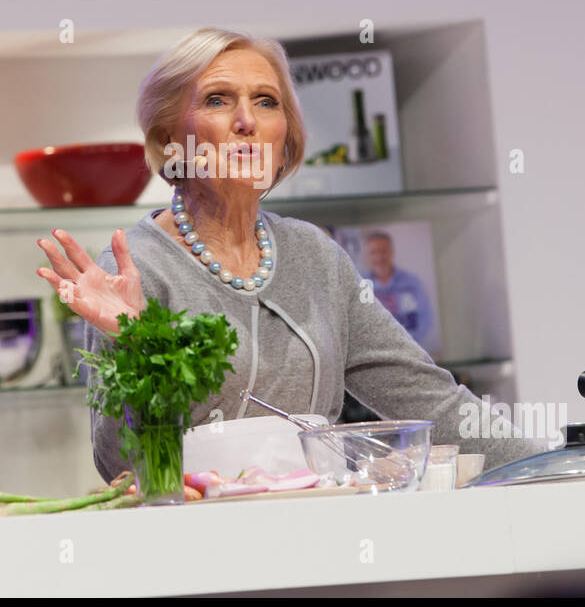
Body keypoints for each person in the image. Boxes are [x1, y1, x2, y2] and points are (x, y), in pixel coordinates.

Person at [37, 28, 547, 483]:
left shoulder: (315, 254)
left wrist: (549, 468)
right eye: (217, 99)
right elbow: (122, 466)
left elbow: (426, 396)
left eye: (266, 102)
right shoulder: (134, 266)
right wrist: (134, 346)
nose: (245, 121)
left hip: (320, 544)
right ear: (170, 137)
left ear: (287, 136)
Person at [360, 230, 437, 351]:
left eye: (383, 251)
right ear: (367, 256)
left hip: (411, 351)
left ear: (392, 252)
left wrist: (408, 345)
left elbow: (425, 318)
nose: (379, 257)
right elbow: (360, 324)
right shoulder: (361, 284)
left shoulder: (412, 282)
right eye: (373, 252)